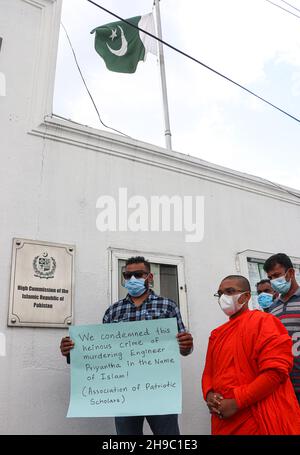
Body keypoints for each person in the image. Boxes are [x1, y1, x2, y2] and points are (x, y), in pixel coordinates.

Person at [60, 256, 193, 435]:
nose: (132, 279)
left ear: (150, 277)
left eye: (138, 274)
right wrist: (71, 352)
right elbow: (103, 353)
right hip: (124, 392)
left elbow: (184, 348)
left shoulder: (168, 306)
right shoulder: (113, 311)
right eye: (127, 275)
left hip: (160, 390)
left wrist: (186, 345)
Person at [202, 274, 300, 435]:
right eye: (220, 294)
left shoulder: (265, 322)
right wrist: (209, 394)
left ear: (246, 296)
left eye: (230, 291)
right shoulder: (217, 334)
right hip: (223, 418)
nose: (223, 298)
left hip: (256, 416)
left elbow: (275, 372)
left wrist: (237, 402)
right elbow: (208, 373)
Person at [263, 253, 300, 403]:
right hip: (284, 386)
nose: (273, 281)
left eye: (277, 275)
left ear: (290, 273)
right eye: (270, 278)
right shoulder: (273, 309)